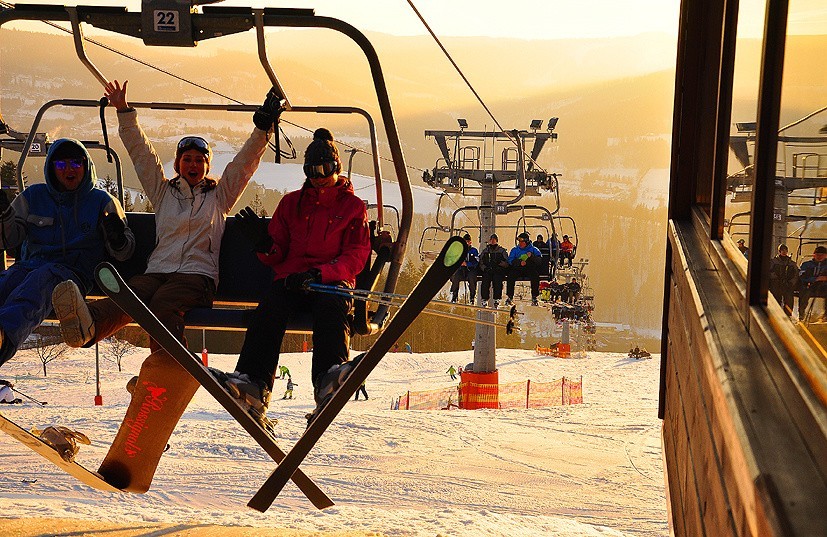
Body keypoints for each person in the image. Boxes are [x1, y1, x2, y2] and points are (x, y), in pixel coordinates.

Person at [210, 127, 371, 425]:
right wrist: (265, 245)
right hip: (293, 281)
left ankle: (328, 376)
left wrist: (320, 273)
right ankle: (254, 382)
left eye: (324, 169)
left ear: (336, 168)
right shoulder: (291, 204)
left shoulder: (352, 207)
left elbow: (355, 257)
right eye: (311, 170)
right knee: (270, 309)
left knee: (331, 306)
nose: (318, 176)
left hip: (329, 282)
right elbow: (278, 252)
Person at [0, 138, 135, 367]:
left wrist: (117, 237)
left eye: (76, 163)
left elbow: (124, 253)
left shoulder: (101, 202)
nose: (69, 170)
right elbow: (8, 240)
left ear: (86, 165)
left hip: (71, 275)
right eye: (61, 165)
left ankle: (4, 339)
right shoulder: (33, 197)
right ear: (52, 168)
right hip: (27, 267)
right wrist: (4, 217)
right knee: (7, 281)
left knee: (41, 283)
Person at [505, 232, 542, 306]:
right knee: (511, 276)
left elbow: (539, 260)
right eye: (519, 242)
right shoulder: (515, 250)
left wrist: (531, 256)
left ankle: (534, 297)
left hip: (529, 268)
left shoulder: (534, 250)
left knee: (535, 276)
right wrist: (519, 262)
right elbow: (510, 260)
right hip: (518, 269)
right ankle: (510, 296)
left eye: (522, 242)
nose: (520, 244)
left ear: (526, 242)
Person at [478, 233, 509, 308]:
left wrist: (499, 263)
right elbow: (480, 261)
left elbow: (507, 263)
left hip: (498, 270)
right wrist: (485, 268)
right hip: (488, 270)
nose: (492, 242)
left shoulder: (502, 251)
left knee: (497, 281)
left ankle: (497, 299)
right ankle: (484, 299)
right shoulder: (485, 251)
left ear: (497, 241)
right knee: (485, 281)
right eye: (491, 240)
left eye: (494, 240)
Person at [798, 245, 827, 322]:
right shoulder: (807, 264)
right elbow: (802, 276)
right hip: (810, 286)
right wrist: (815, 279)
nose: (820, 257)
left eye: (822, 255)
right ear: (814, 255)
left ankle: (825, 316)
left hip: (824, 287)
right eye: (817, 255)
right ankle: (801, 315)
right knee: (804, 292)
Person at [769, 244, 798, 316]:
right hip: (776, 284)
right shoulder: (773, 262)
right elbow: (769, 272)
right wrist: (776, 278)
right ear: (779, 251)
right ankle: (775, 314)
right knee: (776, 299)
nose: (784, 252)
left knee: (789, 300)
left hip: (788, 284)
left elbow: (796, 274)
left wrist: (791, 282)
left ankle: (788, 315)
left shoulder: (791, 263)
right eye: (782, 250)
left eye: (785, 250)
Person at [449, 233, 479, 303]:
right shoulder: (459, 251)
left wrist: (467, 264)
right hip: (461, 269)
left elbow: (476, 261)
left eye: (467, 242)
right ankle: (454, 295)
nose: (466, 243)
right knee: (456, 277)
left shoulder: (473, 250)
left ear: (470, 242)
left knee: (472, 278)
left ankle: (472, 296)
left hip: (470, 269)